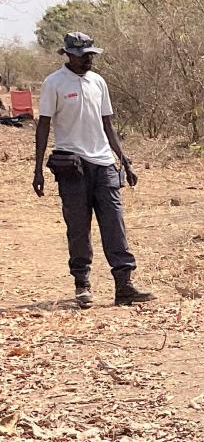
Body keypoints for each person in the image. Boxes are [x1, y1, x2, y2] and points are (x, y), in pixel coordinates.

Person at [32, 32, 156, 309]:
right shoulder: (54, 83)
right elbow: (43, 126)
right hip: (71, 164)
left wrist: (124, 160)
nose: (88, 59)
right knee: (78, 226)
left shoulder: (98, 82)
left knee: (114, 223)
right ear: (68, 54)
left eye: (90, 54)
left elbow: (107, 124)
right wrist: (38, 169)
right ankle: (82, 284)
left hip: (104, 164)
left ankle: (124, 285)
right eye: (82, 55)